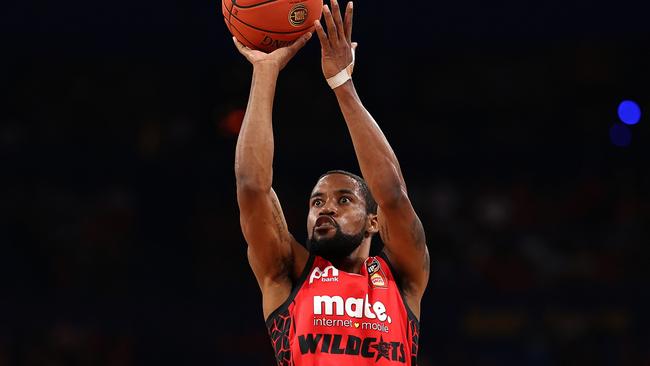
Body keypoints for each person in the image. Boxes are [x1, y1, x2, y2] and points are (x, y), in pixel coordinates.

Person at [232, 0, 429, 364]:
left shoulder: (401, 276)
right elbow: (251, 187)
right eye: (317, 202)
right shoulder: (287, 272)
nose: (326, 208)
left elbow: (392, 195)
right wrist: (265, 71)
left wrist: (342, 84)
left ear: (374, 221)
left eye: (344, 200)